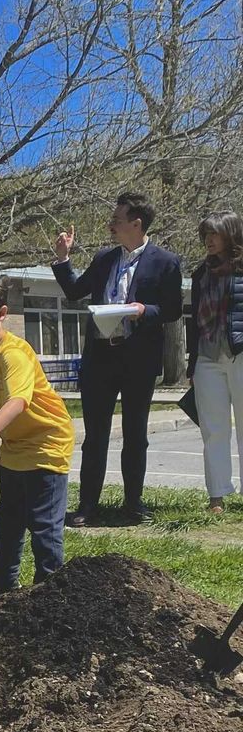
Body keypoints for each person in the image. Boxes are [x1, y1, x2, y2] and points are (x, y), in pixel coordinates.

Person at [51, 193, 182, 525]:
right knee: (95, 436)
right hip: (100, 358)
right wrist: (63, 260)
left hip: (138, 358)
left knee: (135, 434)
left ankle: (132, 506)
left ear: (136, 224)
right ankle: (87, 507)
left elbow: (173, 309)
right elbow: (75, 291)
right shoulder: (104, 258)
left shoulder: (165, 261)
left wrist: (144, 310)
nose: (111, 224)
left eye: (117, 219)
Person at [0, 275, 75, 595]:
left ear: (1, 313)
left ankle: (49, 590)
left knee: (43, 524)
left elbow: (18, 401)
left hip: (47, 441)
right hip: (15, 446)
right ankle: (2, 582)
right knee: (9, 520)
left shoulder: (14, 353)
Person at [187, 211, 243, 513]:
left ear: (230, 234)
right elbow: (194, 321)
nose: (208, 240)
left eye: (215, 233)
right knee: (213, 428)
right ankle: (217, 496)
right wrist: (192, 362)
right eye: (205, 234)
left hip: (240, 353)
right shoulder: (200, 274)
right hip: (208, 356)